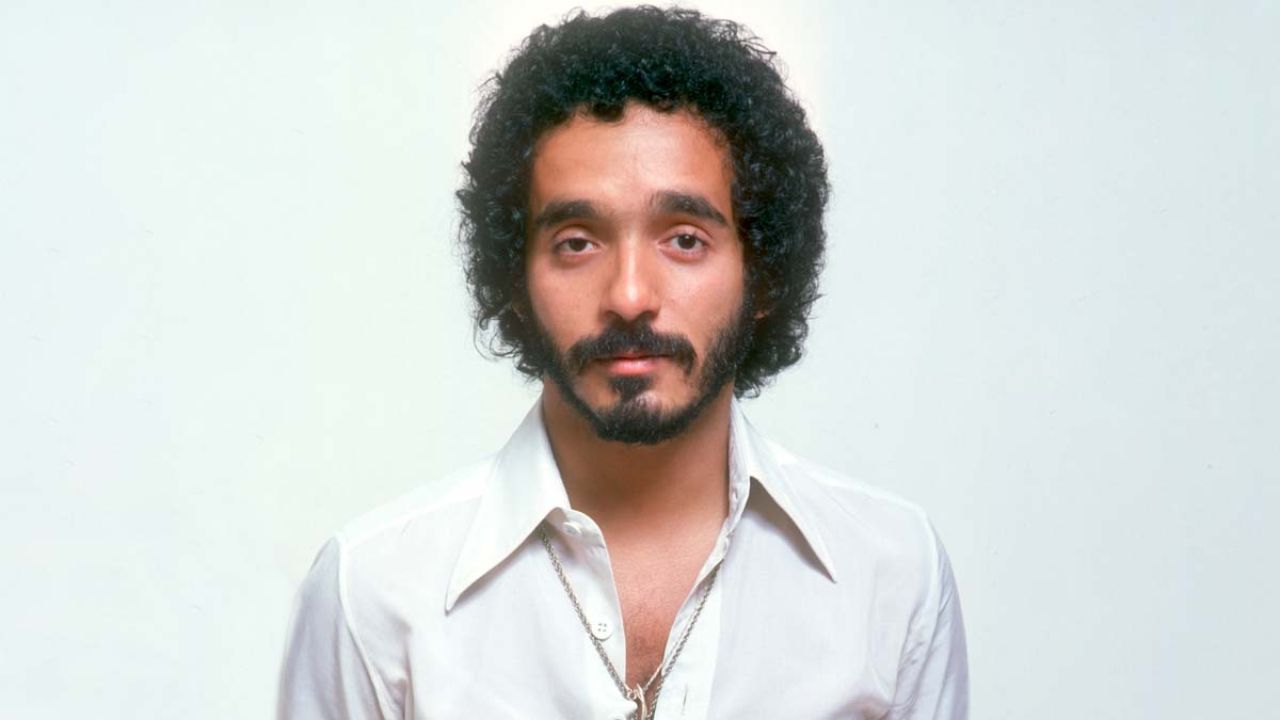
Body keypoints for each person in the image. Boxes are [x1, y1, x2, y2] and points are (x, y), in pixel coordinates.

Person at [278, 6, 968, 719]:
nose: (630, 296)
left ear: (762, 272)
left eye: (685, 239)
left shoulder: (891, 575)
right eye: (577, 242)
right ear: (515, 280)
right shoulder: (375, 591)